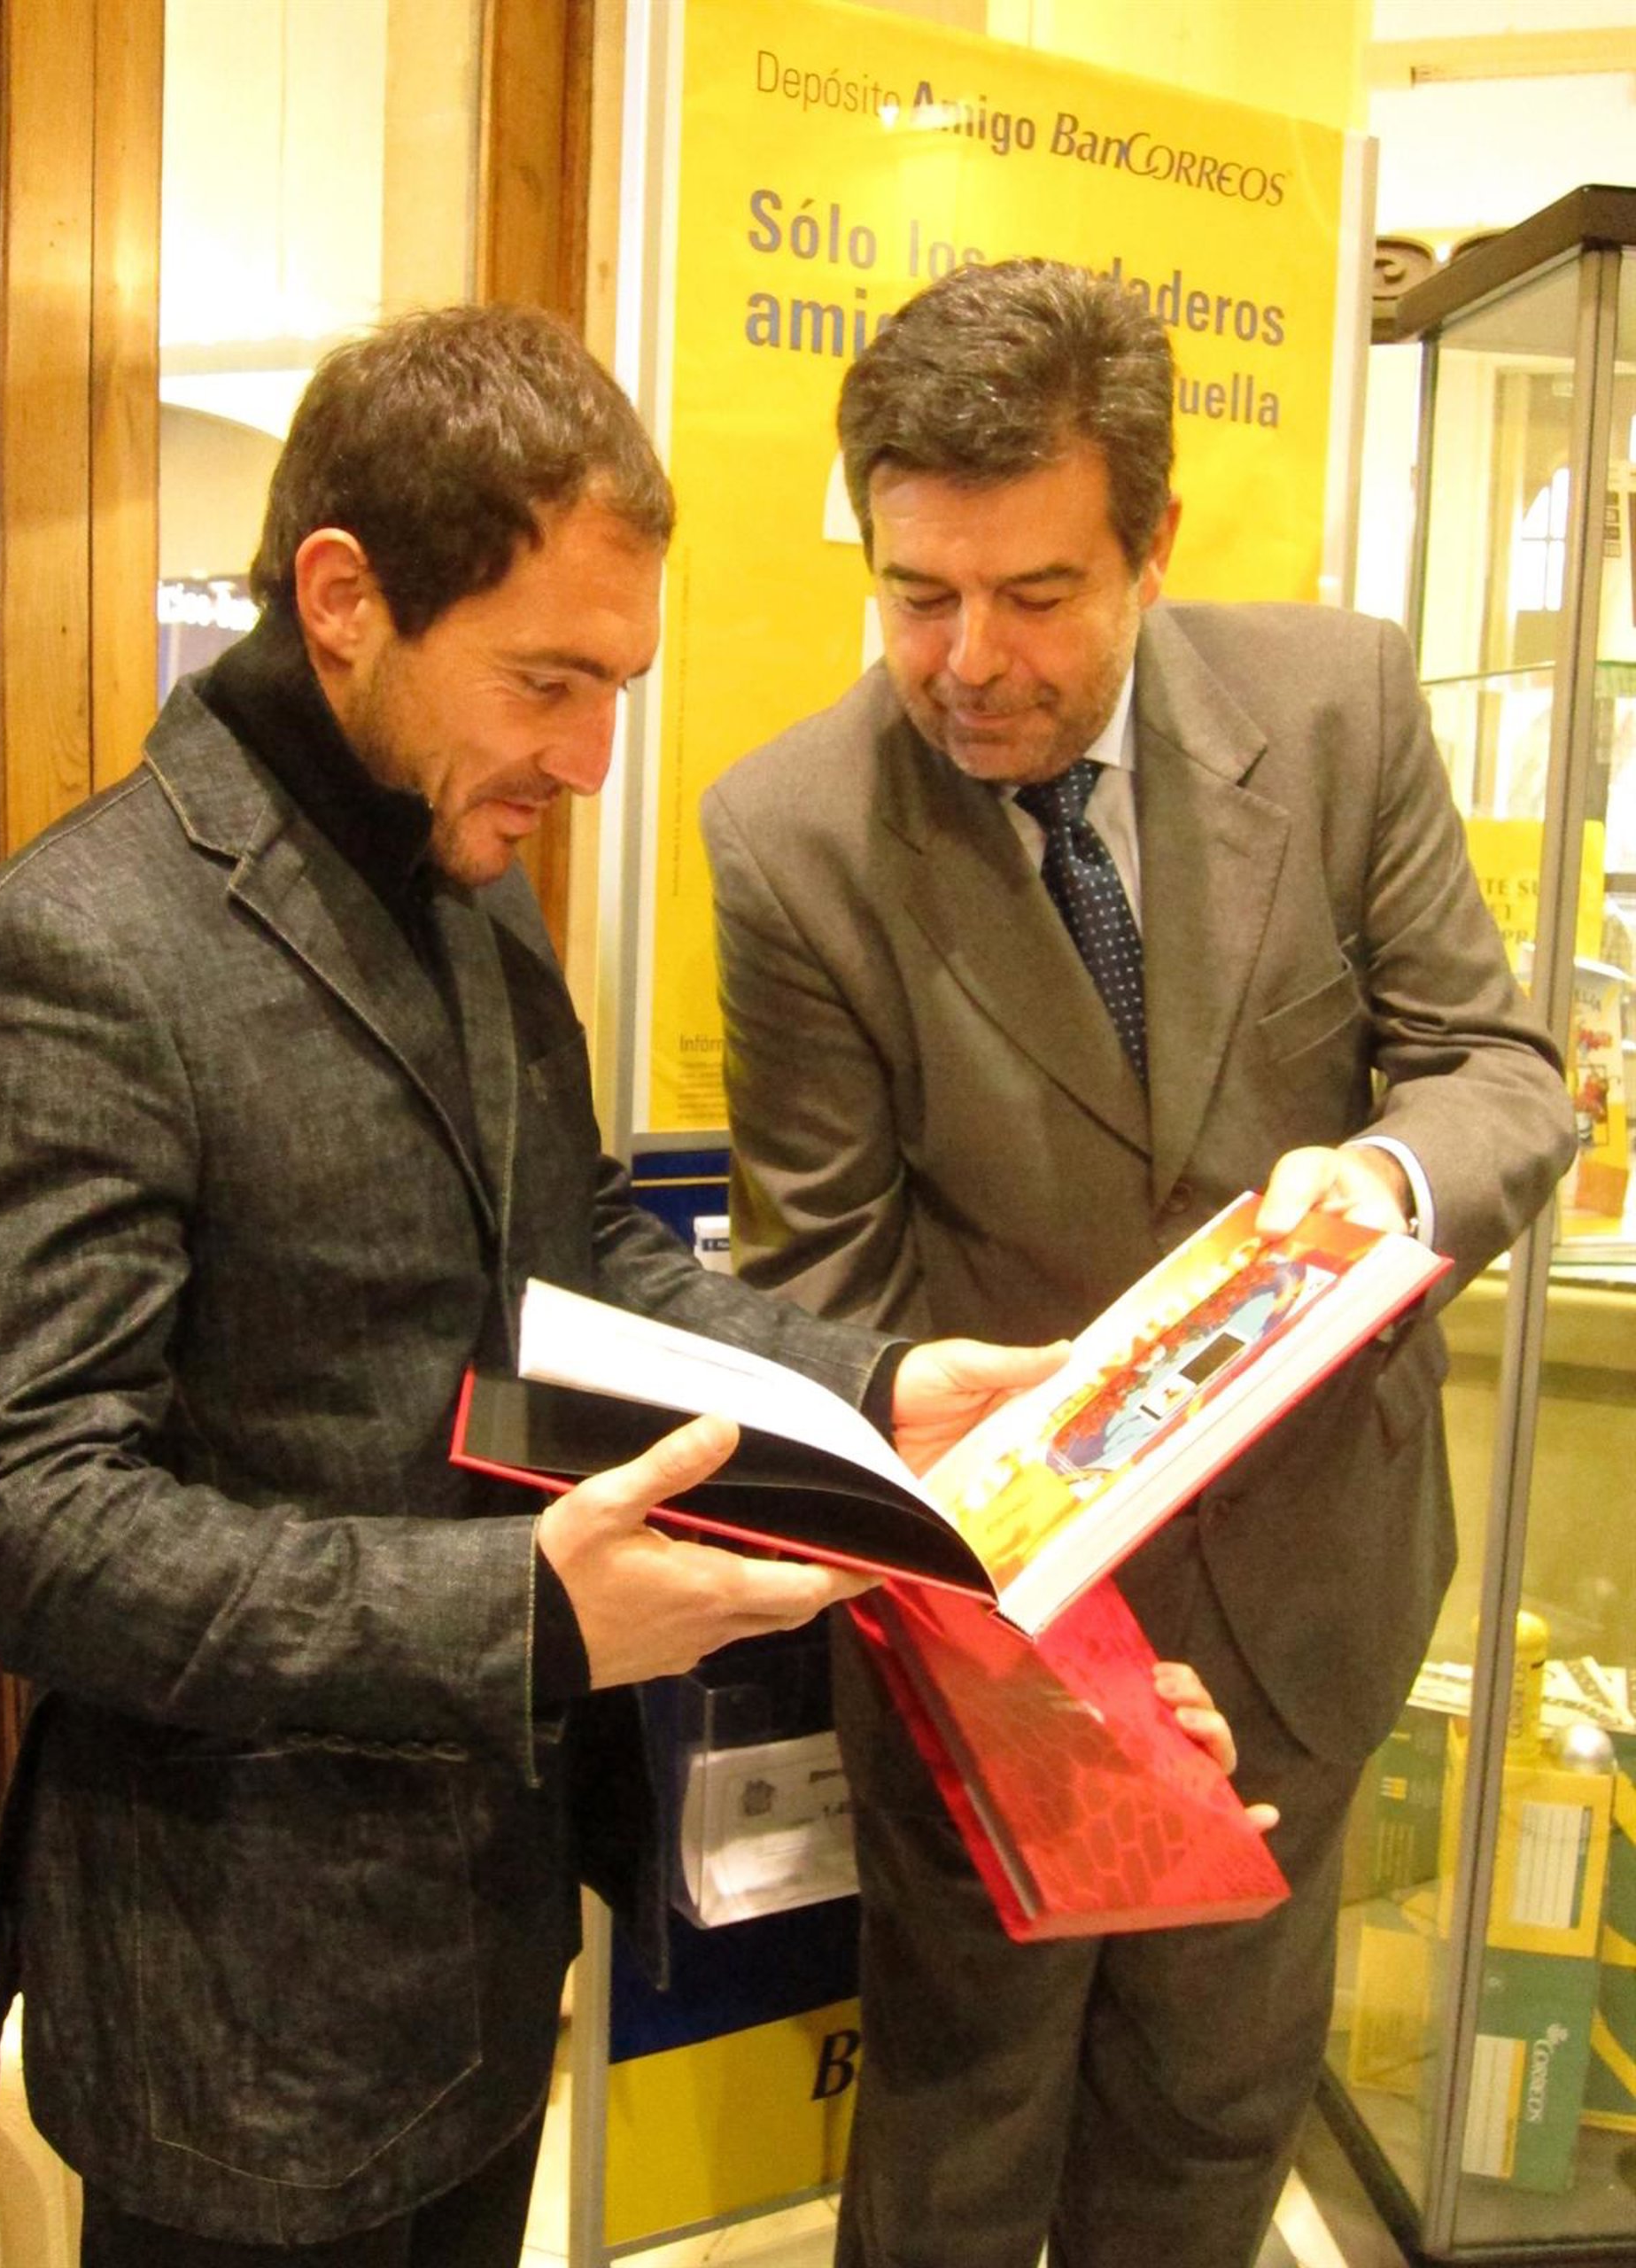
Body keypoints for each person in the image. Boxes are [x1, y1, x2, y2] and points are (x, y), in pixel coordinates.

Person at [0, 303, 1114, 2266]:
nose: (589, 758)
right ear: (343, 598)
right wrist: (515, 1613)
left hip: (488, 1947)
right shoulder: (76, 950)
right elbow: (0, 1512)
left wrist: (878, 1386)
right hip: (237, 2006)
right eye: (546, 680)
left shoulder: (469, 887)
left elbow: (587, 1253)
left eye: (617, 686)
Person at [699, 260, 1577, 2268]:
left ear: (1154, 544)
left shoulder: (1339, 710)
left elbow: (1495, 1068)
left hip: (1304, 1592)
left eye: (1036, 594)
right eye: (917, 594)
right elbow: (832, 1305)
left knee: (1210, 2120)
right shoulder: (794, 836)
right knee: (960, 2122)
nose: (967, 662)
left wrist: (1386, 1189)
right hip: (995, 1618)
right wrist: (1046, 1661)